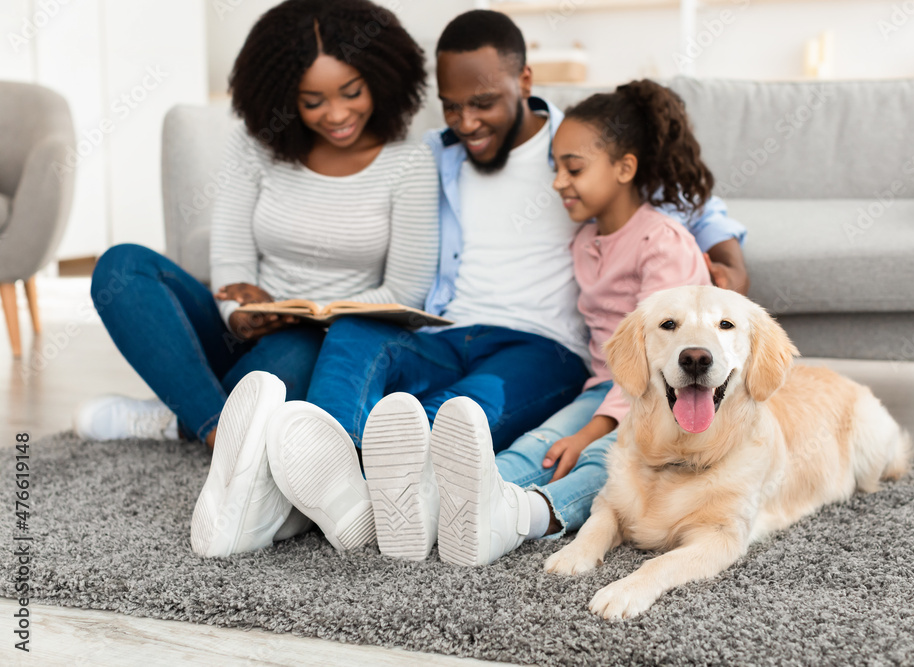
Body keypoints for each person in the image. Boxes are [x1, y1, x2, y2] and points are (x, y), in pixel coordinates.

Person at [191, 10, 746, 562]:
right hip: (447, 329)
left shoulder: (578, 146)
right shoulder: (436, 154)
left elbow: (675, 197)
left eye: (483, 103)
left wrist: (726, 258)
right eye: (452, 106)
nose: (467, 121)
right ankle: (324, 472)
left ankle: (306, 495)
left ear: (524, 83)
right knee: (358, 332)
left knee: (445, 419)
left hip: (541, 345)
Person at [74, 0, 438, 455]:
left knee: (291, 361)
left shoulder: (410, 163)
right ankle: (219, 432)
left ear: (381, 80)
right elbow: (231, 263)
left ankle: (183, 414)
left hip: (327, 342)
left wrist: (308, 311)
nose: (338, 114)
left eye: (352, 92)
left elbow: (407, 292)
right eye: (312, 101)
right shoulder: (256, 147)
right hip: (246, 330)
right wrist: (240, 317)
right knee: (121, 266)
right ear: (285, 97)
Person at [430, 79, 714, 565]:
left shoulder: (661, 242)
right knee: (537, 446)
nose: (558, 181)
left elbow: (652, 358)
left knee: (602, 459)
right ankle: (435, 502)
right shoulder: (584, 240)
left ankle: (526, 514)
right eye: (556, 167)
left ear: (625, 168)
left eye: (573, 168)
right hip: (604, 387)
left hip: (666, 394)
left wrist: (590, 432)